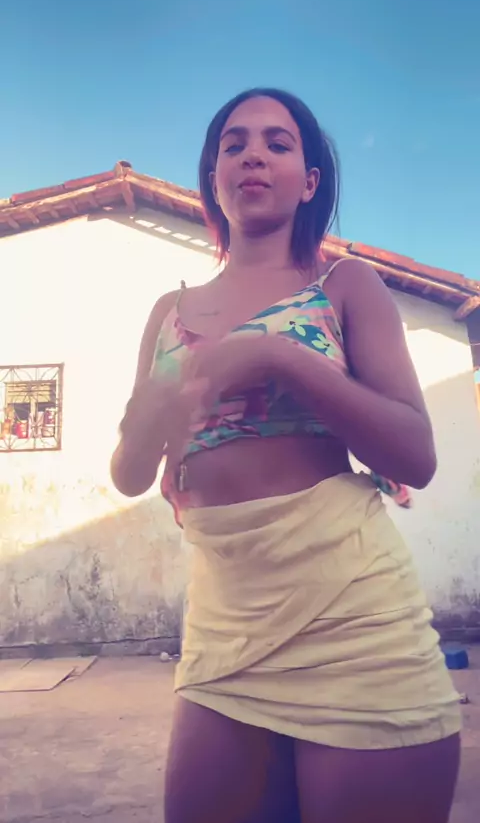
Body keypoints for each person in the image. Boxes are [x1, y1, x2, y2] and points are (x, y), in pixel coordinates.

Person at [111, 88, 461, 823]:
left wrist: (277, 357)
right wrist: (143, 428)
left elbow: (416, 455)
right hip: (224, 630)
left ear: (309, 181)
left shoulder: (344, 286)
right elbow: (130, 472)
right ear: (214, 177)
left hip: (352, 623)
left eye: (277, 143)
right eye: (234, 144)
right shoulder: (167, 313)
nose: (253, 155)